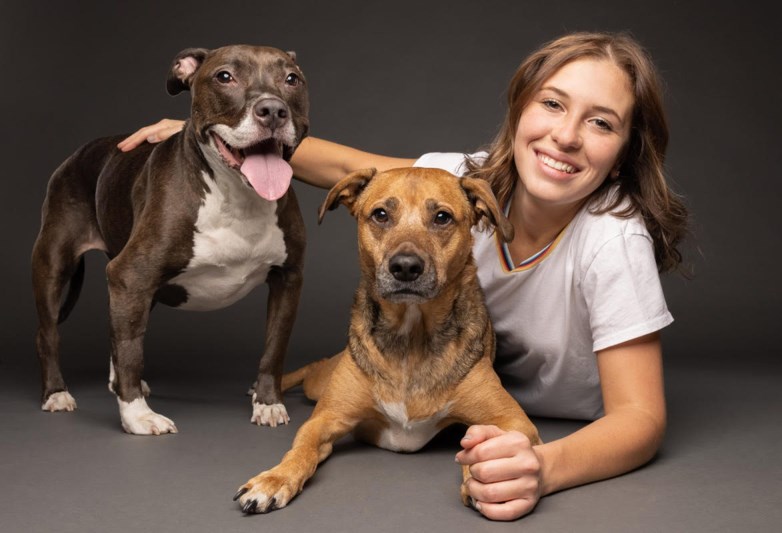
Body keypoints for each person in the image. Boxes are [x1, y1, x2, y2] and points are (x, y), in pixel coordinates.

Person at [119, 31, 688, 522]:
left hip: (540, 411)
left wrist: (541, 466)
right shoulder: (452, 178)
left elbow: (639, 417)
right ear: (518, 110)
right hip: (415, 361)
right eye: (553, 105)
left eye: (601, 122)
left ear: (623, 151)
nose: (566, 136)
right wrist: (207, 130)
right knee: (330, 383)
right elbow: (356, 173)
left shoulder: (614, 238)